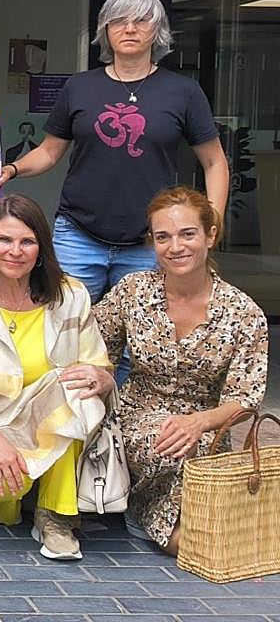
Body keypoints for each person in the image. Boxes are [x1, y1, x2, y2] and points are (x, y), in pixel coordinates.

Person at [0, 0, 229, 316]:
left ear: (158, 30)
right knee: (64, 326)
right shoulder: (79, 86)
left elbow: (214, 162)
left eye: (141, 20)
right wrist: (13, 168)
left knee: (142, 335)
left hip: (151, 240)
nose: (129, 28)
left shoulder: (183, 92)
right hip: (78, 235)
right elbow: (49, 151)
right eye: (119, 20)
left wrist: (211, 221)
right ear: (105, 29)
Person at [93, 186, 268, 555]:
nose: (175, 247)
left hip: (207, 426)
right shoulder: (134, 291)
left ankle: (173, 525)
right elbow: (92, 345)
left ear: (210, 235)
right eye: (163, 237)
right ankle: (168, 525)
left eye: (188, 234)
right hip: (138, 415)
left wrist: (198, 422)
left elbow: (245, 399)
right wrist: (102, 374)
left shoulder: (243, 312)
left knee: (194, 446)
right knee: (171, 446)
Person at [0, 195, 113, 561]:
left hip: (50, 418)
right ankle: (12, 501)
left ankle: (55, 517)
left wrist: (101, 378)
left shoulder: (71, 295)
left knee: (75, 391)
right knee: (2, 486)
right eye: (4, 239)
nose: (15, 251)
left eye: (27, 241)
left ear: (41, 248)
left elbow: (98, 365)